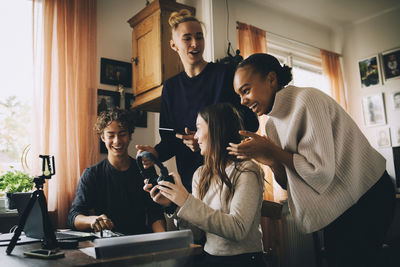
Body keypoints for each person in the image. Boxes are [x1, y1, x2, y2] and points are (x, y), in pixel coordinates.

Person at [227, 53, 396, 267]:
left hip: (370, 194)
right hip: (340, 205)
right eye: (239, 94)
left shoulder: (307, 100)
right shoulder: (271, 125)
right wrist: (270, 160)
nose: (242, 101)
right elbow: (289, 183)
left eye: (246, 90)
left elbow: (320, 174)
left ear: (271, 79)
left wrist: (272, 150)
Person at [136, 9, 258, 192]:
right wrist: (155, 153)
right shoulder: (170, 88)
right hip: (191, 181)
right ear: (174, 45)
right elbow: (168, 140)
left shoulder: (225, 75)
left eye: (199, 37)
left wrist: (208, 137)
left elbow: (250, 123)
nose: (195, 43)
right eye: (187, 38)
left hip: (229, 175)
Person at [146, 103, 265, 267]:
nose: (195, 137)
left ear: (217, 130)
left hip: (244, 260)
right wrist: (173, 206)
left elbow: (238, 230)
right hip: (210, 258)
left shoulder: (247, 171)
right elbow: (196, 232)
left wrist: (186, 201)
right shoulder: (200, 174)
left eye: (199, 128)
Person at [68, 108, 165, 235]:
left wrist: (164, 240)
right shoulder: (92, 174)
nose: (117, 141)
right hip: (106, 244)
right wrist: (92, 220)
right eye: (111, 135)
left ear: (130, 136)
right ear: (103, 137)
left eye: (122, 134)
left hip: (139, 241)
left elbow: (155, 213)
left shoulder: (145, 170)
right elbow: (74, 216)